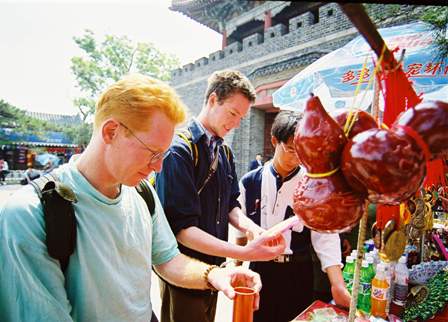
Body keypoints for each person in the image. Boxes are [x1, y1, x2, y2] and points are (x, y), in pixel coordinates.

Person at [0, 74, 273, 322]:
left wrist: (216, 275)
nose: (158, 167)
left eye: (163, 155)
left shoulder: (143, 194)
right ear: (111, 132)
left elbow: (168, 260)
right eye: (152, 152)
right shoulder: (31, 213)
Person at [155, 70, 286, 322]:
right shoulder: (179, 151)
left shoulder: (224, 152)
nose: (236, 123)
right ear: (213, 100)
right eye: (233, 113)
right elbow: (181, 228)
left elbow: (231, 204)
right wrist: (246, 253)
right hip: (183, 269)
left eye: (242, 116)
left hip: (216, 268)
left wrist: (254, 230)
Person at [237, 111, 351, 322]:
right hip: (260, 269)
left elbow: (325, 238)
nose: (297, 157)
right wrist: (237, 268)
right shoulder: (249, 182)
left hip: (297, 271)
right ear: (274, 141)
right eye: (291, 149)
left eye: (302, 151)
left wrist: (337, 284)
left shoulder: (313, 186)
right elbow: (240, 232)